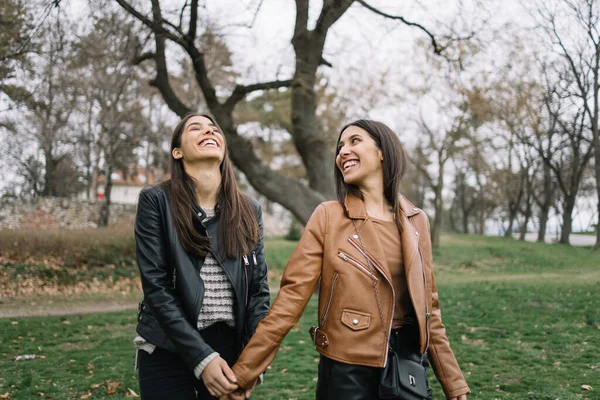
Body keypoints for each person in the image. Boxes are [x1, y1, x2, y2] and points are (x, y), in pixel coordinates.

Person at [228, 120, 470, 400]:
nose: (343, 151)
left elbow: (430, 309)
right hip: (346, 371)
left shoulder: (417, 221)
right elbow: (289, 302)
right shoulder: (329, 216)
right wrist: (244, 373)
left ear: (383, 152)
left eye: (355, 141)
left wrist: (454, 384)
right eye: (340, 146)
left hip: (408, 367)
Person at [133, 113, 269, 399]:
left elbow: (258, 292)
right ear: (177, 151)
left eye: (213, 129)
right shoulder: (156, 201)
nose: (209, 131)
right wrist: (202, 358)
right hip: (168, 344)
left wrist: (253, 362)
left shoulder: (249, 209)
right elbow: (156, 287)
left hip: (229, 350)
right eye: (196, 128)